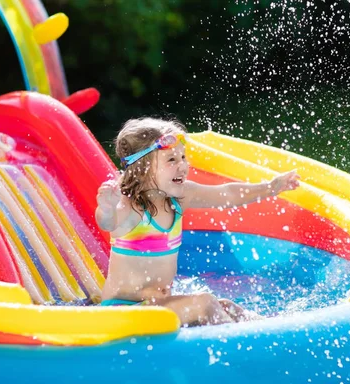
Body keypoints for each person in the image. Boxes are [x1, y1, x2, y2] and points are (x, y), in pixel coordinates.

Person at [96, 117, 300, 327]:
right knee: (204, 303)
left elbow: (226, 194)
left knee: (227, 306)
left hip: (156, 306)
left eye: (183, 158)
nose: (182, 166)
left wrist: (270, 187)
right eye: (171, 160)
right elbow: (109, 222)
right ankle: (237, 352)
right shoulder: (132, 208)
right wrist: (107, 208)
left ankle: (278, 330)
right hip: (122, 311)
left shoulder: (181, 197)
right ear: (142, 168)